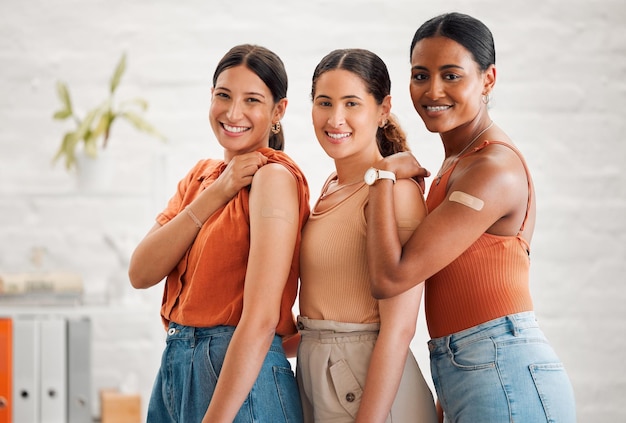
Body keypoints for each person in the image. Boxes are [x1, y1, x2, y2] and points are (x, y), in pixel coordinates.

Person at [365, 12, 576, 422]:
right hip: (473, 367)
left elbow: (389, 278)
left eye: (451, 75)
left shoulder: (492, 168)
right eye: (421, 75)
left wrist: (380, 178)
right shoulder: (457, 163)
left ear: (488, 80)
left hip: (503, 368)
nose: (433, 90)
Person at [128, 44, 309, 423]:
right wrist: (219, 191)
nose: (233, 112)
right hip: (176, 365)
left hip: (238, 376)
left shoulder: (272, 177)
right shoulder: (201, 178)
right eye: (223, 95)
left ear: (278, 111)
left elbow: (260, 319)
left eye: (252, 100)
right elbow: (141, 272)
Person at [296, 48, 438, 423]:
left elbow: (400, 327)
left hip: (366, 386)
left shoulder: (396, 192)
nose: (335, 118)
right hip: (319, 372)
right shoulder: (330, 185)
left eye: (352, 103)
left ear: (383, 108)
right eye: (324, 102)